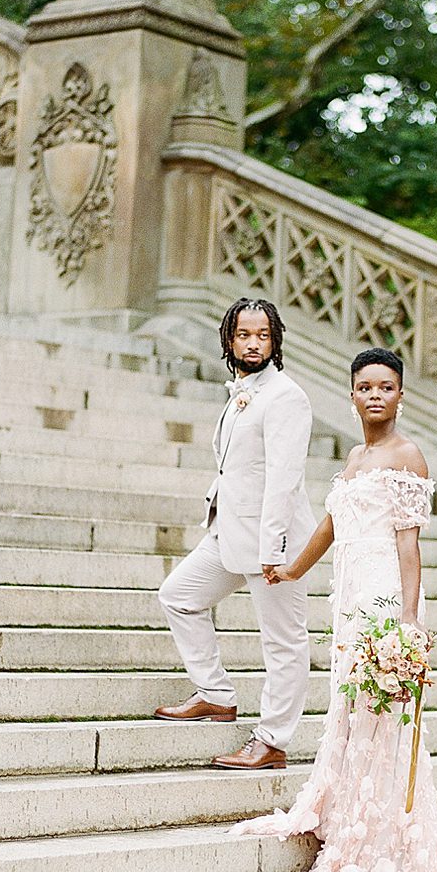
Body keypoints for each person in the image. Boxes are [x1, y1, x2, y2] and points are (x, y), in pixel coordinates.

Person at [230, 346, 437, 872]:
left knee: (382, 706)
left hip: (384, 594)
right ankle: (348, 813)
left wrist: (408, 619)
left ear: (399, 395)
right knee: (351, 700)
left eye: (386, 387)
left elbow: (409, 542)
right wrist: (294, 568)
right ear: (352, 396)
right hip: (347, 594)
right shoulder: (353, 455)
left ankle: (381, 831)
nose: (375, 395)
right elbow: (332, 524)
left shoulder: (407, 455)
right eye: (365, 387)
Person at [155, 298, 317, 770]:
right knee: (178, 596)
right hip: (229, 530)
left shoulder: (287, 396)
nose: (253, 343)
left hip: (277, 543)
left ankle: (272, 741)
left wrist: (274, 552)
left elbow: (284, 479)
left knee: (283, 642)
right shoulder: (244, 392)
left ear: (275, 340)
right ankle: (216, 694)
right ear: (229, 339)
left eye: (262, 335)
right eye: (244, 335)